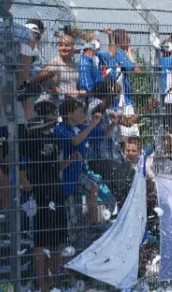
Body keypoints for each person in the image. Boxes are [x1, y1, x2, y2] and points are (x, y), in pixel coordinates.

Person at [21, 101, 67, 291]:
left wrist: (69, 161)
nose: (54, 115)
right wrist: (28, 186)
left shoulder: (56, 138)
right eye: (50, 112)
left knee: (58, 238)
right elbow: (16, 164)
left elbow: (55, 165)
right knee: (42, 240)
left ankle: (54, 279)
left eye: (55, 112)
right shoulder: (31, 138)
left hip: (56, 191)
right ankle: (42, 283)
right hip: (39, 193)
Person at [54, 99, 111, 249]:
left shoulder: (81, 127)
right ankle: (69, 249)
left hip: (79, 175)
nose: (83, 114)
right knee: (71, 217)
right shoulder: (60, 129)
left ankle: (93, 224)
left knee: (92, 186)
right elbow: (74, 142)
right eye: (80, 111)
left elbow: (103, 135)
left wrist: (114, 123)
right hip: (66, 179)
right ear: (69, 114)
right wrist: (92, 124)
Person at [97, 29, 141, 137]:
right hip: (122, 102)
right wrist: (130, 52)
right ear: (120, 40)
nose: (129, 40)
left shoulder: (109, 54)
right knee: (130, 135)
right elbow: (138, 71)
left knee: (117, 135)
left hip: (112, 101)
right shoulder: (119, 53)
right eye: (126, 38)